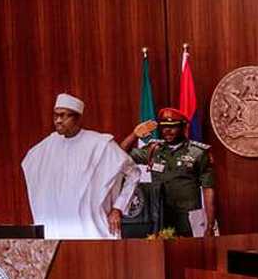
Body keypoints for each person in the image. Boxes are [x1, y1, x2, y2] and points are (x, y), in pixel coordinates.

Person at [21, 93, 139, 239]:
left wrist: (118, 208)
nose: (58, 120)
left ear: (77, 118)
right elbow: (29, 165)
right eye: (55, 116)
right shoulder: (47, 146)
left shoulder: (100, 144)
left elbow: (134, 173)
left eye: (63, 116)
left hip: (92, 228)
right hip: (58, 228)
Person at [120, 107, 215, 237]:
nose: (167, 131)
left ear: (183, 127)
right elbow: (119, 155)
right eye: (164, 127)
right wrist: (134, 135)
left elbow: (208, 189)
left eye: (173, 127)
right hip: (160, 216)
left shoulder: (198, 153)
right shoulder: (154, 150)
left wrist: (210, 225)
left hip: (189, 217)